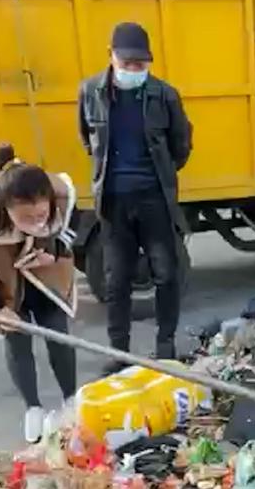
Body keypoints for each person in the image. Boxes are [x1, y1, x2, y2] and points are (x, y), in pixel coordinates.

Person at [78, 21, 192, 369]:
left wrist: (157, 176)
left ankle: (166, 346)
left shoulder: (165, 95)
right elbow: (88, 139)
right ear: (110, 57)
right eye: (126, 63)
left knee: (166, 274)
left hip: (155, 199)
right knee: (117, 282)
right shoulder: (90, 92)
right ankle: (120, 353)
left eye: (140, 65)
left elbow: (181, 146)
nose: (133, 70)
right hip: (113, 202)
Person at [0, 143, 79, 442]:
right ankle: (32, 407)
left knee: (59, 334)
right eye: (26, 218)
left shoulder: (59, 194)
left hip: (46, 273)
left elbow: (78, 226)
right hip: (2, 279)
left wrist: (57, 249)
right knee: (17, 341)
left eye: (41, 215)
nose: (37, 223)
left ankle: (71, 400)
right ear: (6, 210)